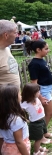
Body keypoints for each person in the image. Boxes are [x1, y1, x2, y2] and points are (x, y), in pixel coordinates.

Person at [25, 40, 52, 143]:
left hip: (47, 89)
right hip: (42, 90)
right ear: (38, 50)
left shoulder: (42, 60)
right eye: (46, 49)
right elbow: (34, 83)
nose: (48, 50)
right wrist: (40, 97)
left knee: (44, 113)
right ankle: (40, 137)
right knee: (49, 113)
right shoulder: (34, 64)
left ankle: (44, 132)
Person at [0, 20, 21, 151]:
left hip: (13, 102)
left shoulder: (6, 48)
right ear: (6, 35)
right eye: (15, 32)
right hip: (4, 105)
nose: (17, 35)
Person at [0, 84, 31, 155]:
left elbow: (1, 137)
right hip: (17, 150)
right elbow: (19, 142)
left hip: (6, 148)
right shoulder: (16, 120)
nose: (21, 96)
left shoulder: (2, 116)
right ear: (13, 99)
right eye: (19, 95)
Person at [21, 83, 49, 155]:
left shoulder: (36, 98)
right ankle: (36, 152)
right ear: (31, 93)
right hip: (35, 124)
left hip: (42, 120)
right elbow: (19, 110)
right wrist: (23, 118)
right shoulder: (25, 103)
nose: (39, 93)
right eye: (37, 92)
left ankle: (38, 148)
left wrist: (44, 102)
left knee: (41, 135)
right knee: (38, 139)